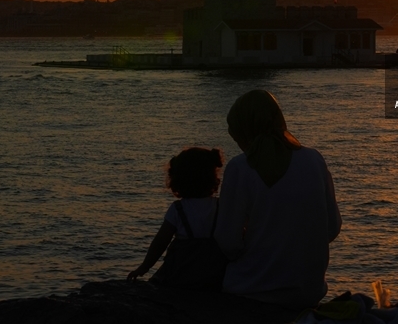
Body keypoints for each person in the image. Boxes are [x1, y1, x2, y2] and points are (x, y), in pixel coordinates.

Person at [214, 90, 341, 308]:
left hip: (253, 288)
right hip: (308, 290)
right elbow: (332, 227)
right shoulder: (314, 160)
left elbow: (228, 242)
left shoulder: (240, 167)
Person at [127, 147, 227, 289]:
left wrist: (143, 268)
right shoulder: (221, 206)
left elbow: (160, 242)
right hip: (214, 274)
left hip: (181, 275)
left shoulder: (178, 209)